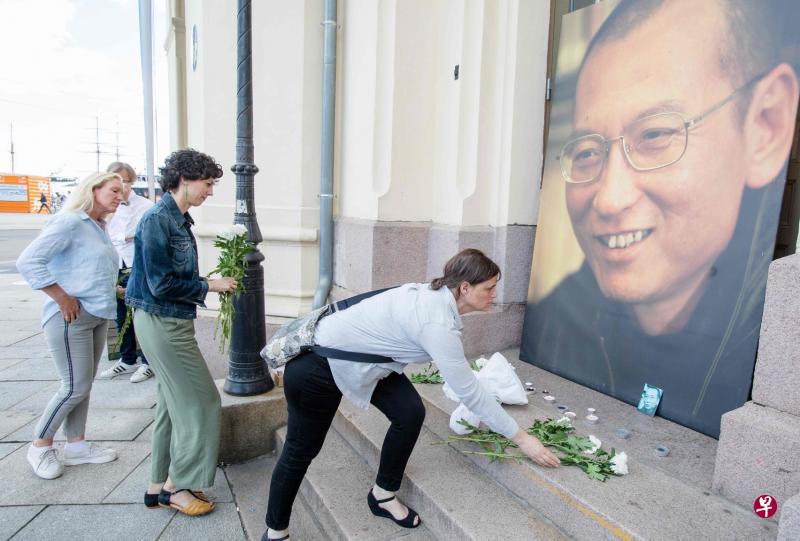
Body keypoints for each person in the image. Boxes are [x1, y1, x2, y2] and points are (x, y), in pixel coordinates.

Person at [521, 0, 800, 437]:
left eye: (655, 135)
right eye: (588, 152)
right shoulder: (555, 319)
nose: (610, 200)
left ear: (766, 124)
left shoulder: (769, 345)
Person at [262, 249, 560, 541]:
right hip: (316, 369)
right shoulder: (437, 323)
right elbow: (469, 392)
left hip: (367, 360)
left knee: (409, 413)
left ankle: (382, 495)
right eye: (490, 287)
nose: (495, 294)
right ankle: (275, 532)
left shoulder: (436, 297)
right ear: (465, 288)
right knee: (300, 452)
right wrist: (523, 439)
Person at [125, 149, 238, 516]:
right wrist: (210, 285)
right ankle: (177, 486)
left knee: (172, 407)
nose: (210, 191)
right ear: (185, 180)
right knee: (203, 402)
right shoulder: (159, 219)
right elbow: (161, 284)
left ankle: (157, 485)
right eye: (207, 183)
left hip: (165, 320)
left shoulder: (176, 218)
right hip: (163, 322)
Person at [16, 172, 124, 479]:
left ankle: (76, 446)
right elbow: (29, 261)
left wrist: (116, 290)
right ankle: (40, 445)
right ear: (94, 189)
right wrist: (61, 297)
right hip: (71, 317)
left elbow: (86, 269)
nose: (121, 196)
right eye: (114, 190)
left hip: (97, 314)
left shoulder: (98, 227)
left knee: (83, 386)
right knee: (73, 386)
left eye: (122, 192)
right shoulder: (70, 222)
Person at [98, 162, 154, 383]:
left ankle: (148, 362)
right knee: (122, 314)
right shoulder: (109, 209)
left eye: (125, 182)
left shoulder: (145, 206)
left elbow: (141, 235)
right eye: (115, 184)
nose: (121, 189)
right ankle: (127, 358)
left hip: (136, 265)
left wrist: (124, 237)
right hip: (116, 265)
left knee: (141, 314)